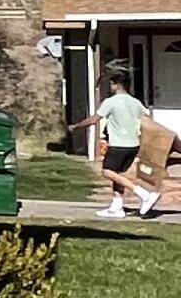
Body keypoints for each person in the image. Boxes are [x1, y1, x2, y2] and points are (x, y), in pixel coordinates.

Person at [63, 68, 162, 216]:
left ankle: (144, 194)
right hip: (133, 145)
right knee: (118, 175)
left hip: (118, 144)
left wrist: (76, 126)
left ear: (116, 85)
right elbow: (147, 119)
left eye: (111, 85)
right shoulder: (136, 102)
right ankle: (117, 207)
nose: (110, 88)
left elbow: (94, 119)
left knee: (107, 172)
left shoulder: (111, 102)